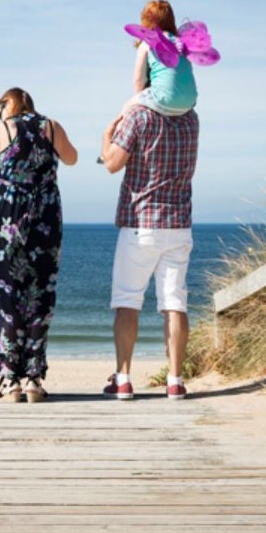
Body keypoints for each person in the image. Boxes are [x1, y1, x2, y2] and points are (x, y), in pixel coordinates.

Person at [0, 87, 78, 402]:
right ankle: (33, 380)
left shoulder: (1, 130)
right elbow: (72, 158)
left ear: (6, 105)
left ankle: (10, 380)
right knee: (40, 294)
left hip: (8, 219)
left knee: (6, 294)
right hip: (46, 220)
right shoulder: (51, 126)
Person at [100, 96, 199, 400]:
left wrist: (107, 137)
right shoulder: (191, 118)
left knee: (128, 301)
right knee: (175, 303)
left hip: (140, 223)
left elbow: (112, 163)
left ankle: (123, 380)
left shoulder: (138, 116)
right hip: (178, 224)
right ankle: (175, 381)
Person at [121, 0, 198, 118]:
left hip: (164, 101)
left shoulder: (147, 44)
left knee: (127, 107)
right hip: (189, 102)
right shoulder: (182, 44)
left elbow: (138, 80)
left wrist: (139, 101)